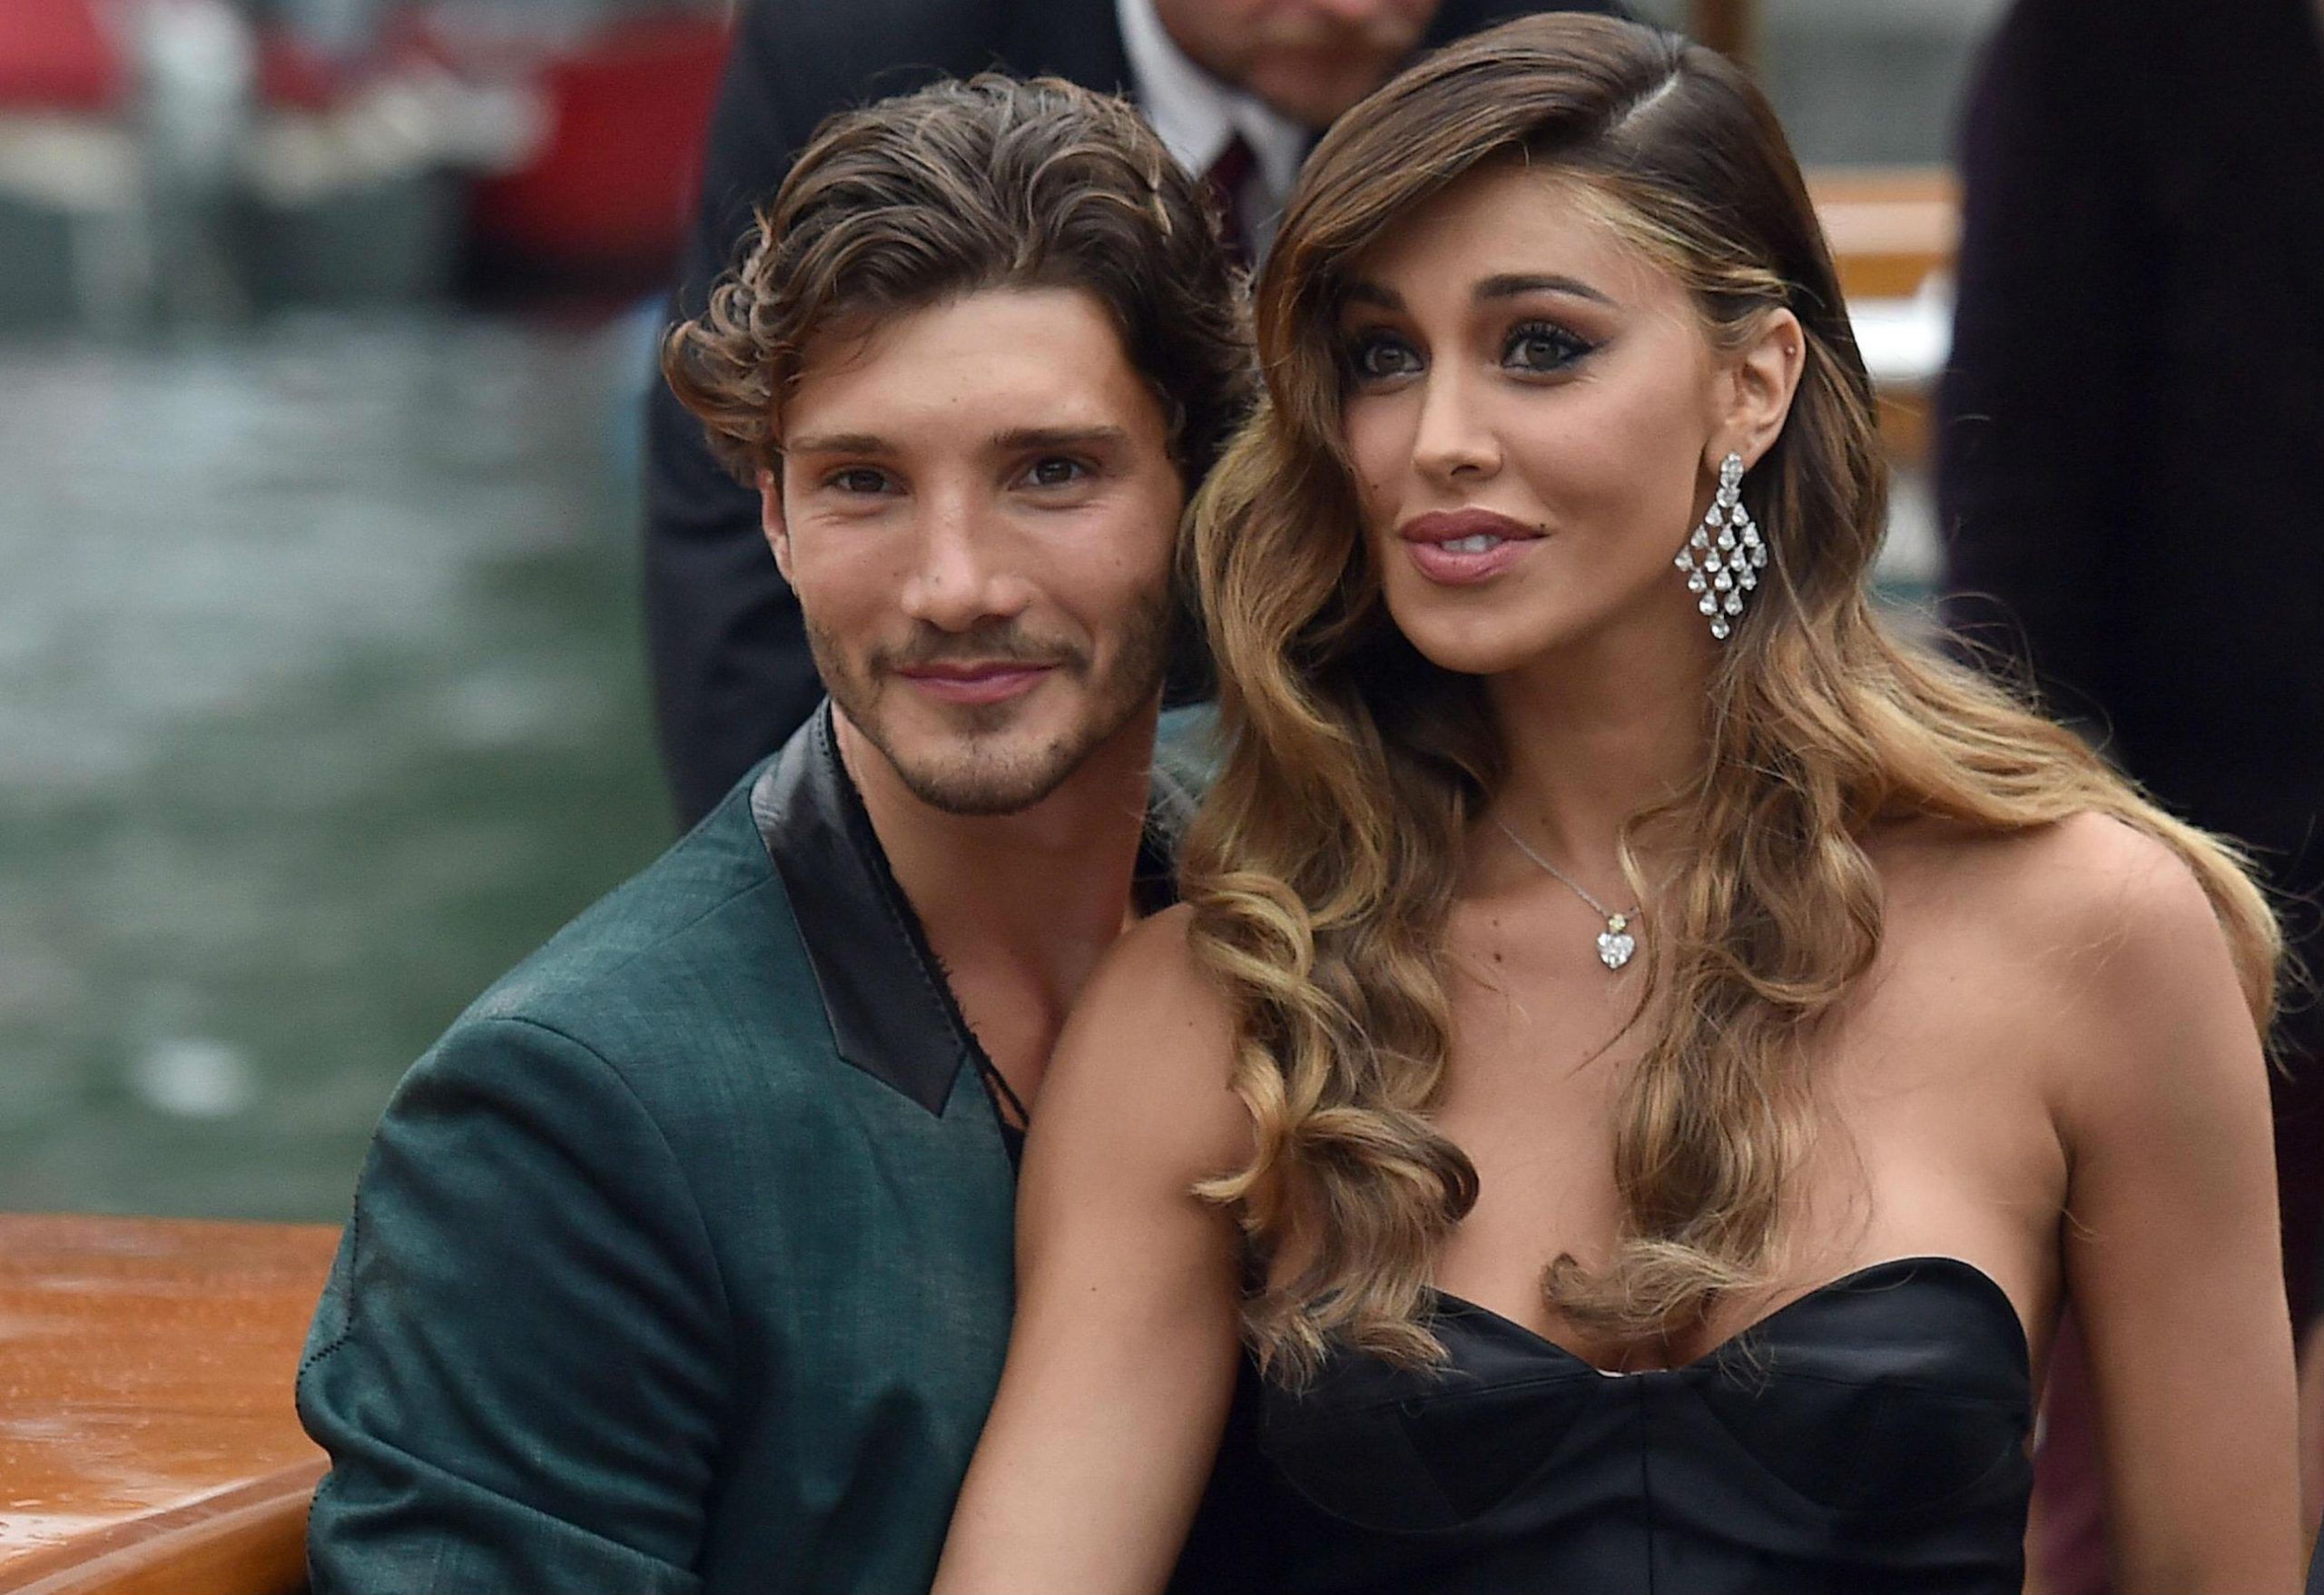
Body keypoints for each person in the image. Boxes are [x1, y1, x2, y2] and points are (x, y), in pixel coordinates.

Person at [931, 15, 2303, 1593]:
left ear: (1753, 381)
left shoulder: (2094, 936)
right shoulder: (1224, 997)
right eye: (1383, 358)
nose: (1439, 439)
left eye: (1541, 346)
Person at [295, 74, 1250, 1595]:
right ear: (772, 518)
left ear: (1197, 484)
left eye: (1050, 472)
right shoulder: (564, 1124)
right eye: (864, 482)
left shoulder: (1300, 897)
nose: (956, 583)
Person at [643, 0, 1623, 825]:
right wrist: (787, 916)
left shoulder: (1556, 57)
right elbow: (731, 502)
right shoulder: (860, 37)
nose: (1356, 9)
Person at [1935, 5, 2324, 1581]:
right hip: (2195, 892)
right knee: (2143, 1487)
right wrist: (2046, 882)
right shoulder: (2107, 46)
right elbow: (2019, 506)